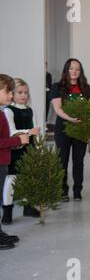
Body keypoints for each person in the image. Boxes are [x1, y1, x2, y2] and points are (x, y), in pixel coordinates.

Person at [50, 58, 90, 202]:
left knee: (78, 161)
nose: (74, 71)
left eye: (77, 69)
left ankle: (77, 191)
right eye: (71, 68)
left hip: (81, 129)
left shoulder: (86, 88)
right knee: (62, 160)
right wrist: (70, 118)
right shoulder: (57, 87)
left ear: (81, 72)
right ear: (66, 70)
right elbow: (57, 109)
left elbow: (88, 109)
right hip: (63, 128)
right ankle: (63, 191)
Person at [1, 78, 40, 225]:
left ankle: (28, 206)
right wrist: (28, 131)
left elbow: (35, 128)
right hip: (15, 150)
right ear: (12, 93)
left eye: (26, 93)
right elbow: (11, 132)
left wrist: (35, 137)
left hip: (29, 148)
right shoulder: (8, 111)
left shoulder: (30, 110)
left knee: (29, 178)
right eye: (20, 92)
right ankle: (7, 211)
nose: (23, 95)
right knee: (12, 180)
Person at [0, 74, 29, 249]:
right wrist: (17, 141)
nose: (11, 95)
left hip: (3, 162)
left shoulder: (2, 113)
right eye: (8, 91)